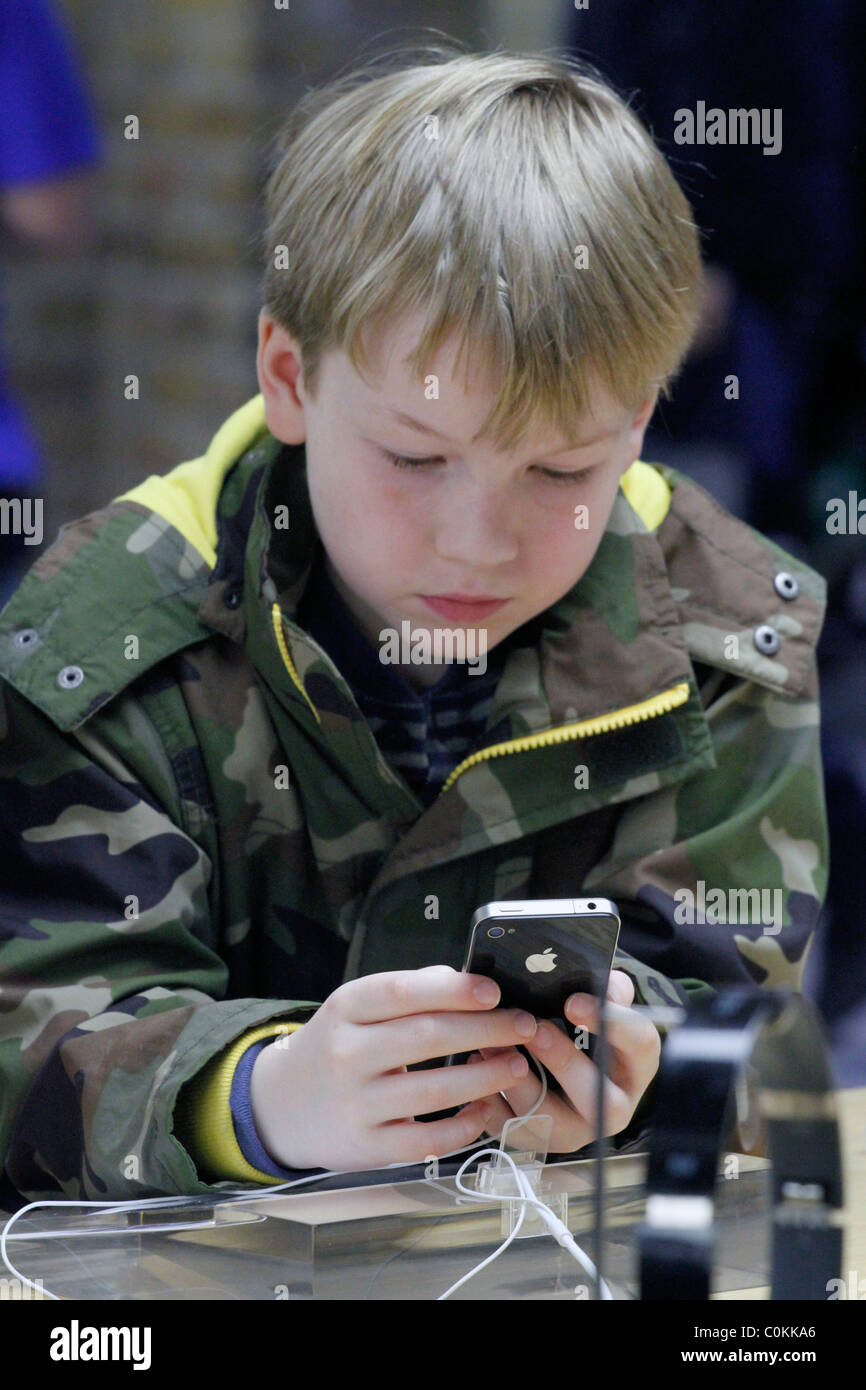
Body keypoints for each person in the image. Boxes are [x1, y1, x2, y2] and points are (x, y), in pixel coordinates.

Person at [0, 47, 828, 1203]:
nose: (476, 540)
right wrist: (255, 1099)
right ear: (288, 376)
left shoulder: (731, 644)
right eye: (413, 457)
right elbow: (30, 1032)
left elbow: (751, 1033)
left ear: (638, 423)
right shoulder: (97, 646)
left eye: (558, 469)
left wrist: (649, 1080)